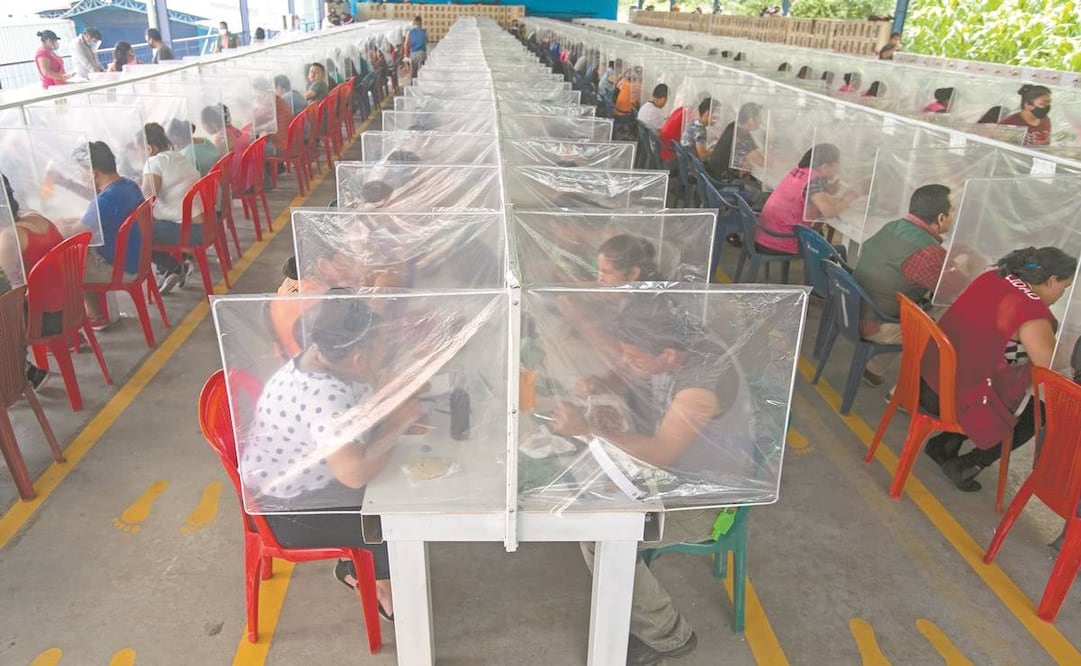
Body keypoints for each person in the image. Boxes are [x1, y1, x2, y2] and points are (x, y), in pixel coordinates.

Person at [552, 294, 753, 666]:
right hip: (676, 474)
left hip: (706, 499)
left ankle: (669, 635)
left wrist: (588, 430)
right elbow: (631, 366)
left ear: (669, 356)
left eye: (635, 356)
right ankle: (635, 598)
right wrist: (604, 383)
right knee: (597, 497)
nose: (626, 361)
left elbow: (660, 452)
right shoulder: (677, 340)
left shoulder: (700, 388)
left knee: (599, 534)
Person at [249, 295, 418, 621]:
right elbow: (354, 473)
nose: (383, 357)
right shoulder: (323, 397)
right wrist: (397, 424)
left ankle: (361, 567)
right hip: (291, 513)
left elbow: (358, 405)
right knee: (393, 517)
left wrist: (392, 402)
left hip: (305, 485)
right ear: (358, 359)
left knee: (397, 483)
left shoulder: (321, 355)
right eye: (379, 351)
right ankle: (375, 583)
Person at [920, 247, 1077, 492]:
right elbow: (1050, 369)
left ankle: (946, 444)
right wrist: (1068, 348)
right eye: (1064, 288)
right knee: (1040, 407)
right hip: (951, 398)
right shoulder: (1032, 314)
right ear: (1051, 280)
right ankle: (970, 464)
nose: (1061, 296)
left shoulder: (995, 277)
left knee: (995, 380)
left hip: (928, 379)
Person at [852, 184, 967, 386]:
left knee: (907, 302)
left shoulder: (893, 226)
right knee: (949, 316)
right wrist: (963, 267)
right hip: (877, 325)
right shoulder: (928, 252)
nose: (954, 217)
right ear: (941, 218)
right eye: (952, 211)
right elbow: (951, 290)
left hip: (853, 309)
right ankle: (907, 390)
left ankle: (873, 368)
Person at [81, 142, 146, 328]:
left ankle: (93, 317)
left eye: (81, 171)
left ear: (93, 173)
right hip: (138, 260)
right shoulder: (129, 186)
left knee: (67, 268)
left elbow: (79, 233)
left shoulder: (104, 201)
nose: (80, 176)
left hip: (121, 269)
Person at [0, 175, 56, 389]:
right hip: (63, 305)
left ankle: (20, 371)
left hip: (41, 318)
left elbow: (11, 294)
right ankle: (25, 370)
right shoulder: (34, 218)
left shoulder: (9, 237)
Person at [756, 144, 858, 256]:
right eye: (837, 165)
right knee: (838, 250)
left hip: (765, 234)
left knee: (819, 235)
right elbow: (829, 211)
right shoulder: (815, 180)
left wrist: (828, 190)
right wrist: (854, 194)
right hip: (780, 241)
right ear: (825, 167)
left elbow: (808, 195)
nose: (838, 169)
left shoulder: (798, 172)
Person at [141, 122, 202, 293]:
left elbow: (146, 200)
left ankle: (172, 267)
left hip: (188, 231)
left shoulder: (153, 162)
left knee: (137, 232)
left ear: (149, 148)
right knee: (150, 224)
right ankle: (170, 267)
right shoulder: (177, 156)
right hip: (203, 225)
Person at [706, 102, 764, 183]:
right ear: (751, 119)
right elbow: (761, 162)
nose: (761, 121)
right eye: (759, 117)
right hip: (722, 182)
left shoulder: (733, 126)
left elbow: (740, 152)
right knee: (758, 189)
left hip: (713, 177)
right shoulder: (743, 135)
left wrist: (745, 161)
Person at [681, 97, 712, 162]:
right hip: (692, 165)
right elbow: (702, 157)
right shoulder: (700, 130)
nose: (718, 117)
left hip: (686, 161)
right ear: (707, 114)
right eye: (717, 113)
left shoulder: (694, 123)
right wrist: (714, 151)